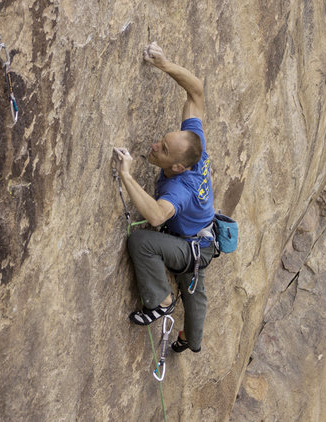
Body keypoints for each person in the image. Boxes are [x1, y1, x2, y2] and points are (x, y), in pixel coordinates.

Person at [112, 42, 215, 353]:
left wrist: (127, 175)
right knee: (194, 288)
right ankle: (192, 342)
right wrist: (165, 65)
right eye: (162, 141)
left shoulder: (179, 189)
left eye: (164, 151)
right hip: (201, 240)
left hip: (190, 244)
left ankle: (162, 302)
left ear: (180, 166)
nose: (156, 147)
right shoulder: (192, 141)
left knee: (142, 243)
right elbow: (196, 91)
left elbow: (156, 216)